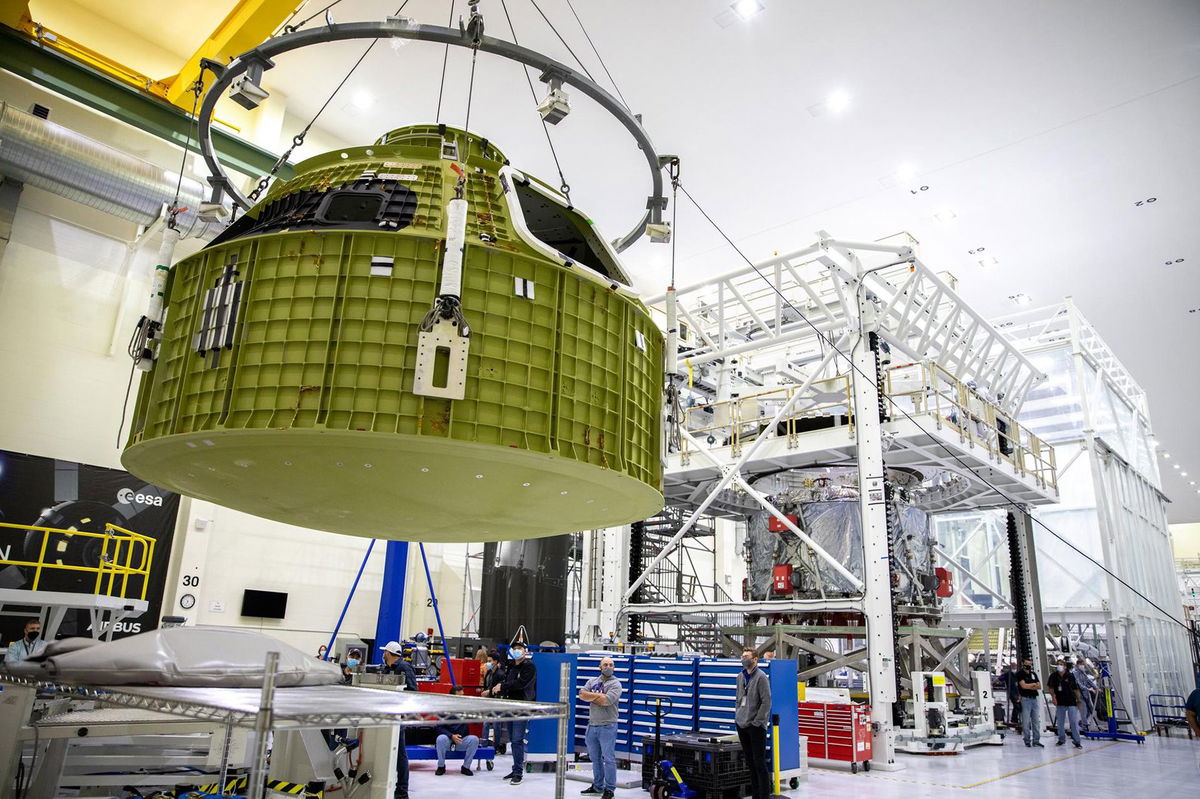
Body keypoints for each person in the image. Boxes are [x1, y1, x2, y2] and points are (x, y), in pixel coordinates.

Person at [489, 643, 536, 784]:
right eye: (514, 649)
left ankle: (518, 773)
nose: (517, 651)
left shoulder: (529, 666)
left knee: (517, 740)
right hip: (509, 706)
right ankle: (515, 768)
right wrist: (498, 688)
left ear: (524, 651)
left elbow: (521, 683)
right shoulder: (511, 666)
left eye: (519, 649)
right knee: (512, 740)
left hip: (521, 707)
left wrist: (503, 686)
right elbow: (507, 682)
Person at [579, 656, 622, 799]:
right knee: (595, 758)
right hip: (592, 726)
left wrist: (592, 696)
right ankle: (598, 786)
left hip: (608, 726)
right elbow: (582, 695)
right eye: (605, 664)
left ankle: (610, 789)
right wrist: (597, 696)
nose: (608, 666)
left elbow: (606, 701)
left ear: (614, 667)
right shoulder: (592, 681)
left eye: (611, 664)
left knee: (608, 759)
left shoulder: (616, 684)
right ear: (600, 666)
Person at [381, 641, 419, 799]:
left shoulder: (404, 668)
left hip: (399, 717)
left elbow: (413, 690)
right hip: (386, 716)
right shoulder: (387, 669)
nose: (383, 655)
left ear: (389, 654)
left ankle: (402, 791)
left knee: (400, 754)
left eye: (384, 652)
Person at [735, 647, 771, 799]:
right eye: (742, 656)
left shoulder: (761, 677)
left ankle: (763, 796)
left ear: (755, 659)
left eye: (747, 656)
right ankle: (755, 795)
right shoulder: (740, 677)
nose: (744, 659)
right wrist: (738, 716)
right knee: (750, 763)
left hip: (755, 727)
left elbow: (766, 701)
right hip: (742, 724)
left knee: (759, 763)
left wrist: (757, 721)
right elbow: (738, 699)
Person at [435, 687, 480, 776]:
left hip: (462, 739)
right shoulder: (444, 709)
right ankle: (441, 766)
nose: (462, 695)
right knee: (440, 739)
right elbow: (439, 727)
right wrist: (451, 736)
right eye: (460, 694)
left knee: (474, 739)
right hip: (448, 739)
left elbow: (476, 722)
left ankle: (466, 767)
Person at [1047, 659, 1082, 749]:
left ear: (1065, 666)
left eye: (1061, 664)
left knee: (1073, 722)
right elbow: (1050, 688)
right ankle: (1061, 739)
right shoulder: (1053, 676)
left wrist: (1078, 700)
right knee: (1060, 722)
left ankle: (1077, 741)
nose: (1059, 666)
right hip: (1060, 702)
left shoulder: (1070, 676)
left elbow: (1075, 688)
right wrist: (1053, 697)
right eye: (1058, 664)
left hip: (1071, 702)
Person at [482, 650, 507, 750]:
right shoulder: (488, 673)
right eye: (487, 660)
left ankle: (496, 746)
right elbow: (486, 685)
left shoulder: (500, 674)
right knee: (486, 723)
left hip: (497, 702)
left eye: (490, 660)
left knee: (497, 725)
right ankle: (484, 744)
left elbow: (500, 688)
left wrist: (489, 692)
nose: (488, 663)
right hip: (488, 701)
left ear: (496, 661)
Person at [1016, 657, 1044, 747]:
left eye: (1030, 664)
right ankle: (1027, 740)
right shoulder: (1020, 674)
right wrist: (1033, 685)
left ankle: (1036, 740)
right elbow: (1023, 686)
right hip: (1025, 699)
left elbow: (1039, 686)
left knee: (1036, 721)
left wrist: (1031, 685)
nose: (1028, 666)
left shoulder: (1033, 674)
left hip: (1034, 699)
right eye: (1027, 663)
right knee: (1026, 721)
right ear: (1023, 664)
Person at [1071, 658, 1098, 731]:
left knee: (1091, 709)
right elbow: (1078, 684)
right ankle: (1084, 726)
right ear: (1078, 664)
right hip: (1080, 695)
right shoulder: (1075, 673)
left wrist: (1096, 688)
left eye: (1084, 665)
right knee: (1084, 710)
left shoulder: (1083, 673)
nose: (1083, 666)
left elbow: (1089, 681)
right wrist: (1088, 689)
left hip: (1086, 694)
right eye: (1082, 664)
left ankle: (1083, 722)